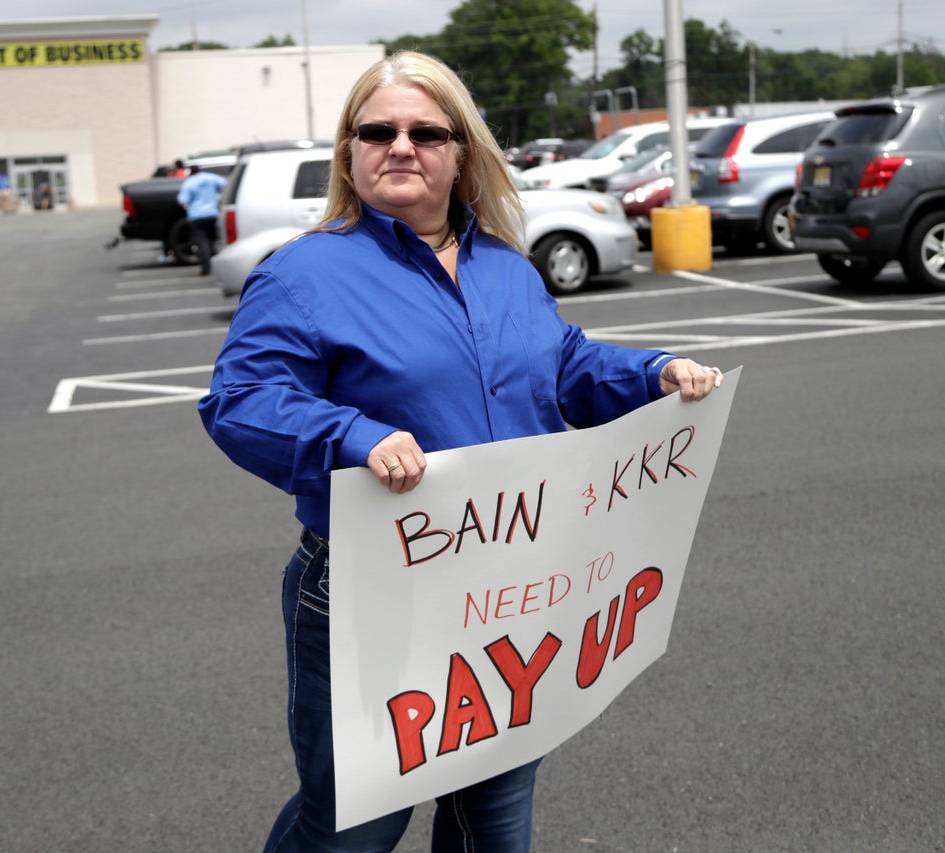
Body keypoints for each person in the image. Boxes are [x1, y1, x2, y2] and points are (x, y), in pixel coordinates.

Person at [197, 50, 725, 852]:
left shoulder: (507, 269)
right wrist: (355, 435)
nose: (400, 145)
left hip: (510, 590)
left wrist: (653, 373)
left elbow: (566, 365)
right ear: (350, 150)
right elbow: (239, 401)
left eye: (425, 131)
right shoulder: (304, 273)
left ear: (461, 152)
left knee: (495, 822)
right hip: (371, 589)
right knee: (357, 822)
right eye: (377, 130)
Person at [176, 164, 227, 276]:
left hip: (196, 216)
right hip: (212, 214)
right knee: (213, 240)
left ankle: (206, 268)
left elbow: (183, 200)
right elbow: (225, 185)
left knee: (201, 242)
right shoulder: (211, 177)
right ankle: (219, 266)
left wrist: (188, 207)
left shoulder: (189, 183)